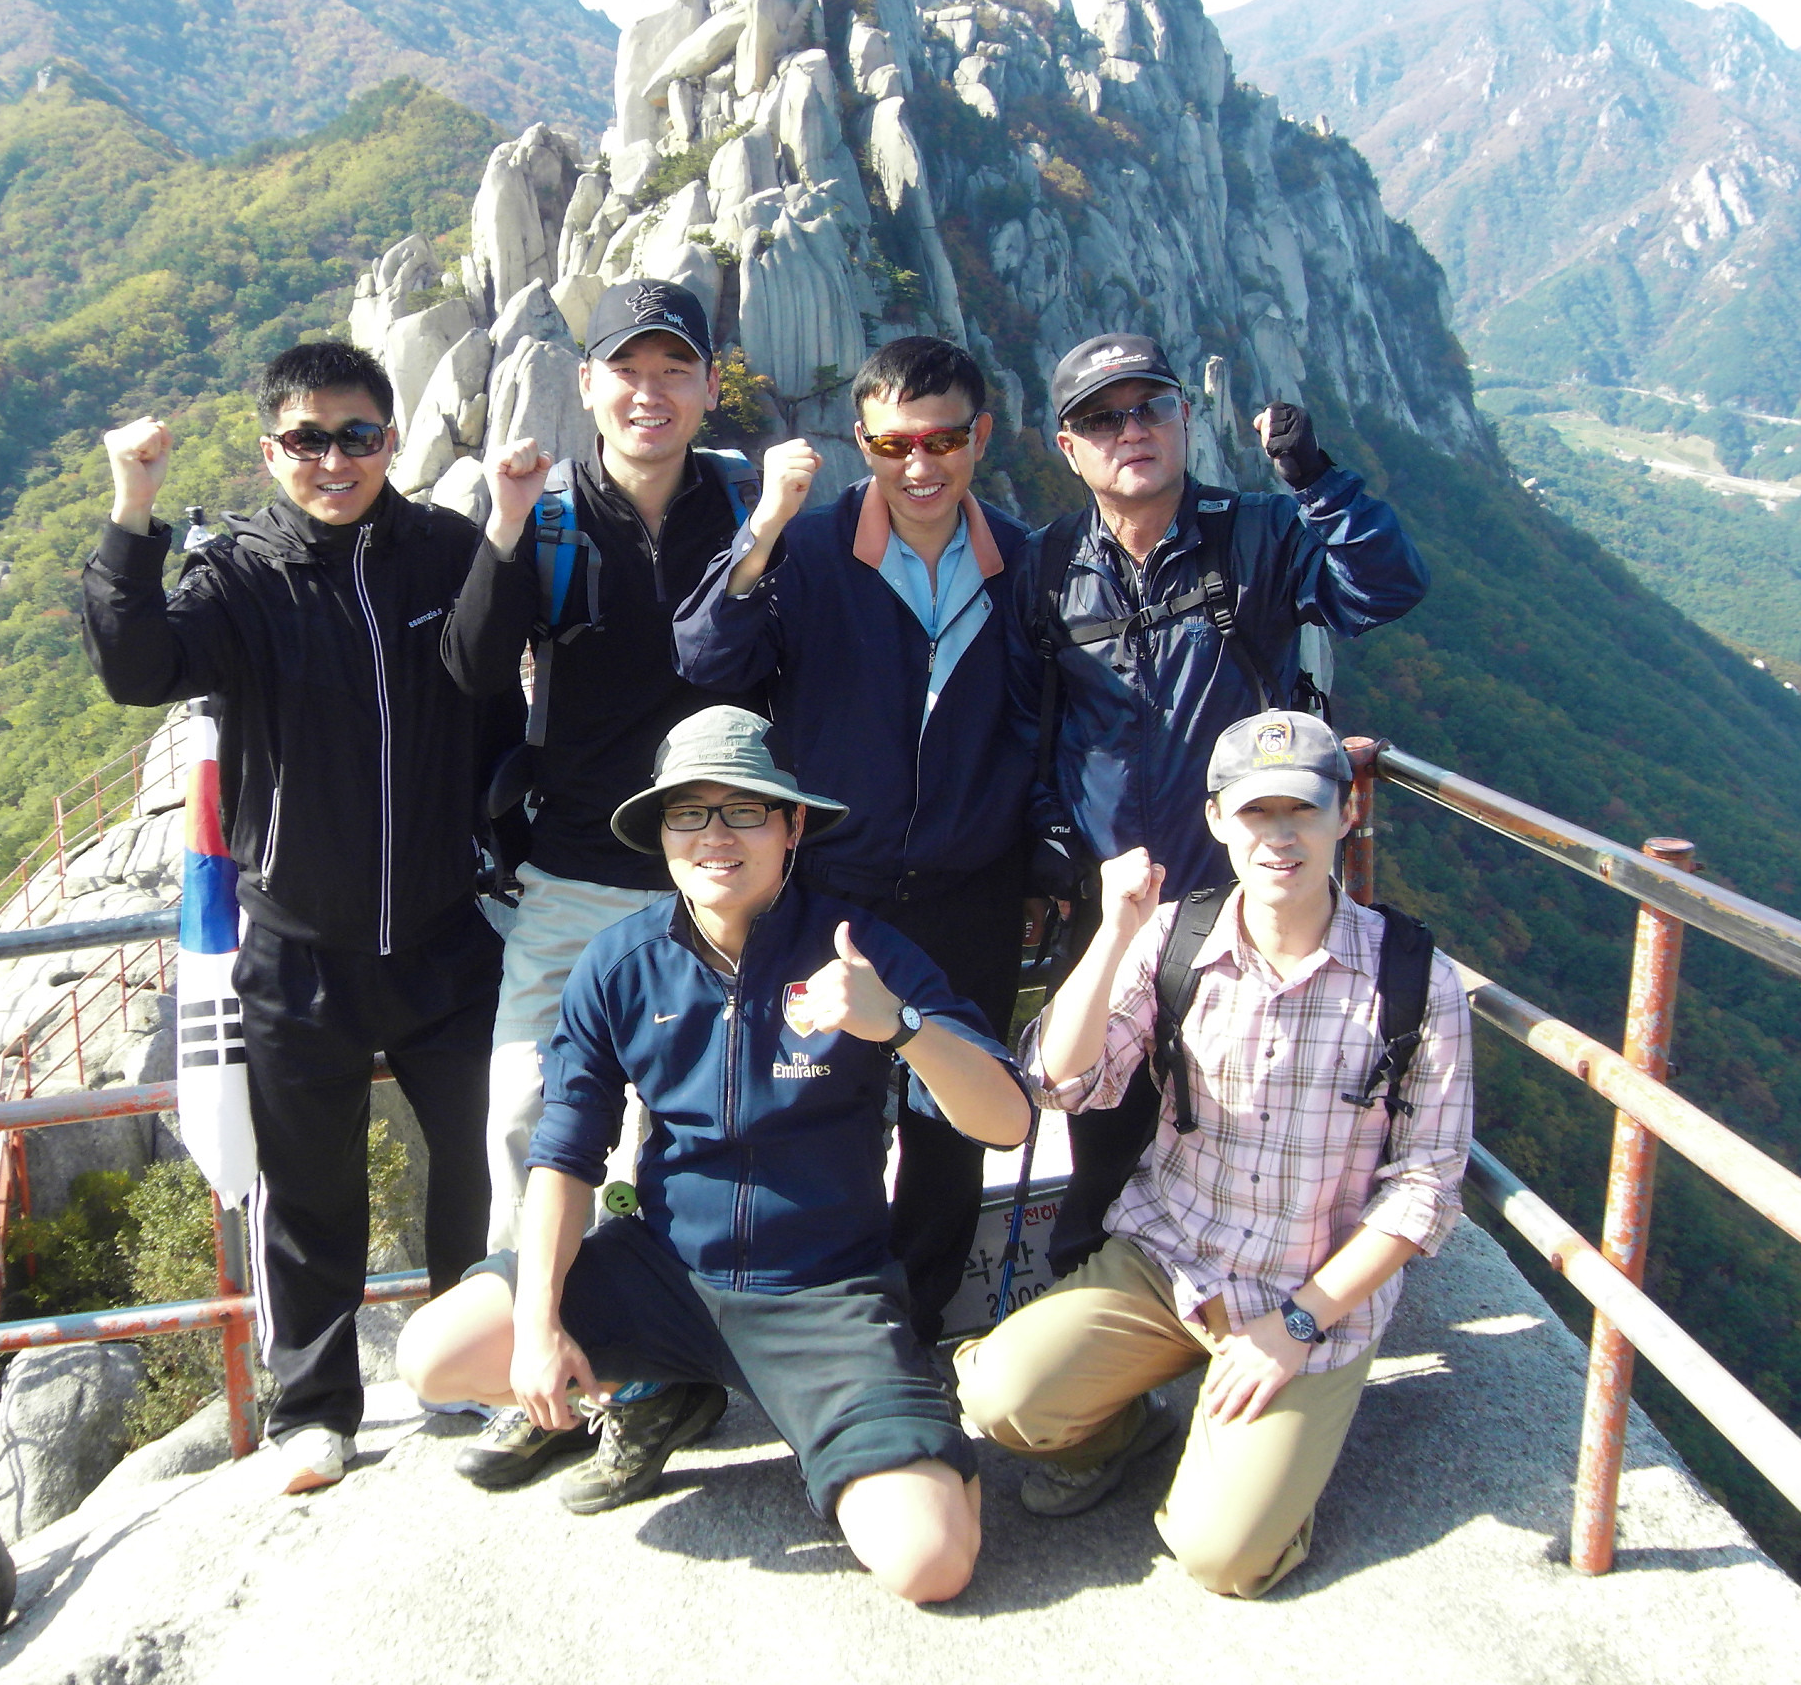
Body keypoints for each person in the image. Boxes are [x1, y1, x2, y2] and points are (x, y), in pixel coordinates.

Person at [397, 707, 1033, 1598]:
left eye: (745, 810)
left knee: (930, 1562)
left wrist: (898, 1024)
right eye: (688, 812)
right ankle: (659, 1389)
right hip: (665, 1274)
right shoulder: (621, 964)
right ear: (661, 832)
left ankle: (868, 1428)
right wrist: (540, 1326)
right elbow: (564, 1157)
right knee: (436, 1355)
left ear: (793, 825)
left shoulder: (861, 954)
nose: (715, 836)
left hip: (822, 1295)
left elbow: (1006, 1121)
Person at [83, 340, 520, 1497]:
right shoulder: (241, 575)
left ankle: (473, 1367)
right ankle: (315, 1407)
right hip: (299, 948)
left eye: (357, 436)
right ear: (272, 450)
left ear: (390, 439)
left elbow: (495, 701)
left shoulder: (445, 550)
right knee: (310, 1189)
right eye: (308, 439)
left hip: (442, 932)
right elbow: (137, 667)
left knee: (481, 1162)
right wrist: (132, 510)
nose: (335, 460)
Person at [954, 710, 1472, 1598]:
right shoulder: (1175, 940)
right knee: (999, 1398)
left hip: (1309, 1292)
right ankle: (1137, 1431)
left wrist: (1296, 1327)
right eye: (1255, 812)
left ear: (1346, 814)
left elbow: (1425, 1184)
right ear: (1216, 820)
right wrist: (1114, 933)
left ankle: (1263, 1462)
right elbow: (1060, 1081)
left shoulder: (1416, 981)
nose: (1279, 837)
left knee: (1223, 1558)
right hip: (1173, 1260)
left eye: (1303, 810)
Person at [672, 336, 1071, 1343]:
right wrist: (765, 523)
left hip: (969, 890)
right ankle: (817, 1318)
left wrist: (1037, 863)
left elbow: (1043, 728)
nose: (919, 465)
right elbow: (707, 657)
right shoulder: (810, 551)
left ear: (980, 436)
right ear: (862, 441)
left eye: (942, 440)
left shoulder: (1022, 562)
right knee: (818, 1109)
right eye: (894, 444)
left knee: (950, 1127)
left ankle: (917, 1326)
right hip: (832, 886)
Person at [438, 277, 757, 1491]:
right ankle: (540, 1369)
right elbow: (473, 665)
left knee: (693, 1133)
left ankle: (663, 1369)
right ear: (588, 386)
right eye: (628, 370)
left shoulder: (746, 510)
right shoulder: (556, 517)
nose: (650, 393)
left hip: (710, 884)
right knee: (524, 1119)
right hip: (572, 878)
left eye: (675, 370)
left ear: (709, 385)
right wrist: (507, 523)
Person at [1024, 332, 1427, 903]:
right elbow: (1021, 722)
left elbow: (1386, 590)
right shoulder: (1045, 566)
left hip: (1245, 897)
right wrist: (1051, 836)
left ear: (1186, 417)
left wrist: (1317, 483)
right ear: (1069, 448)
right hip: (1108, 903)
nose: (1132, 431)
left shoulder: (1260, 534)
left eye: (1152, 408)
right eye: (1101, 420)